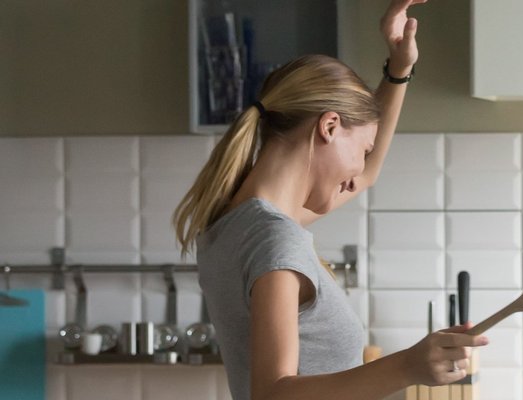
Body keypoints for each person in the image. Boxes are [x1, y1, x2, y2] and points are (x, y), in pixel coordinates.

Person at [172, 1, 487, 399]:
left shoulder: (232, 223)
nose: (358, 169)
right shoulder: (275, 240)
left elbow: (365, 175)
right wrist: (407, 365)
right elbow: (272, 393)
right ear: (330, 126)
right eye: (361, 149)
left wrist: (399, 71)